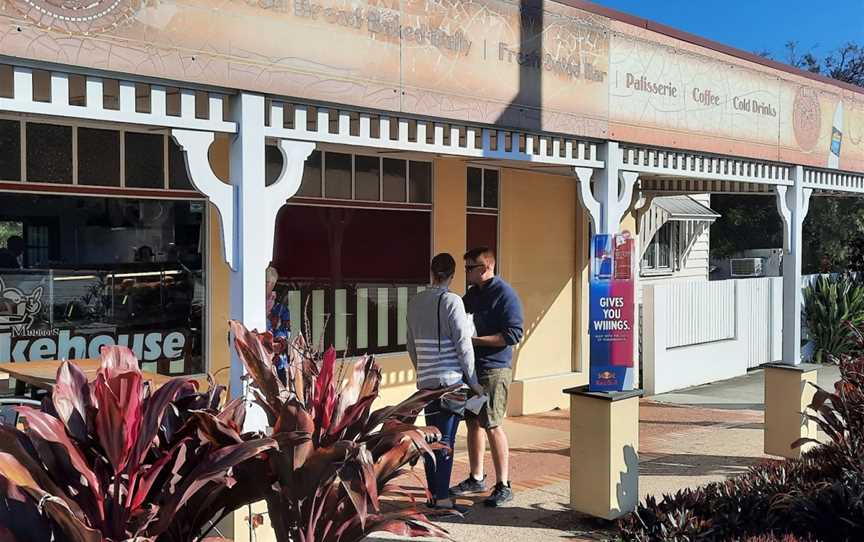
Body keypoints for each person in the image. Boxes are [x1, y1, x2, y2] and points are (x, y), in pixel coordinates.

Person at [406, 253, 484, 515]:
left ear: (431, 272)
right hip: (450, 381)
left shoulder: (415, 301)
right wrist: (473, 382)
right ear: (452, 275)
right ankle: (441, 499)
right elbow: (464, 345)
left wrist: (423, 370)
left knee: (431, 441)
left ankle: (432, 494)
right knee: (446, 441)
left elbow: (411, 344)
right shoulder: (452, 301)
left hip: (427, 382)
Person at [451, 246, 524, 507]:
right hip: (472, 371)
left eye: (471, 267)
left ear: (486, 267)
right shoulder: (472, 295)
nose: (467, 272)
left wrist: (476, 341)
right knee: (472, 422)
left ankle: (503, 484)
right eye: (466, 267)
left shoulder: (505, 295)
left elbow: (514, 334)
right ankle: (476, 476)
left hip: (494, 370)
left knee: (492, 424)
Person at [265, 265, 291, 384]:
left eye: (270, 282)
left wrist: (279, 341)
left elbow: (286, 331)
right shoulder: (252, 301)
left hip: (278, 360)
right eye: (266, 282)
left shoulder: (280, 308)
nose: (268, 285)